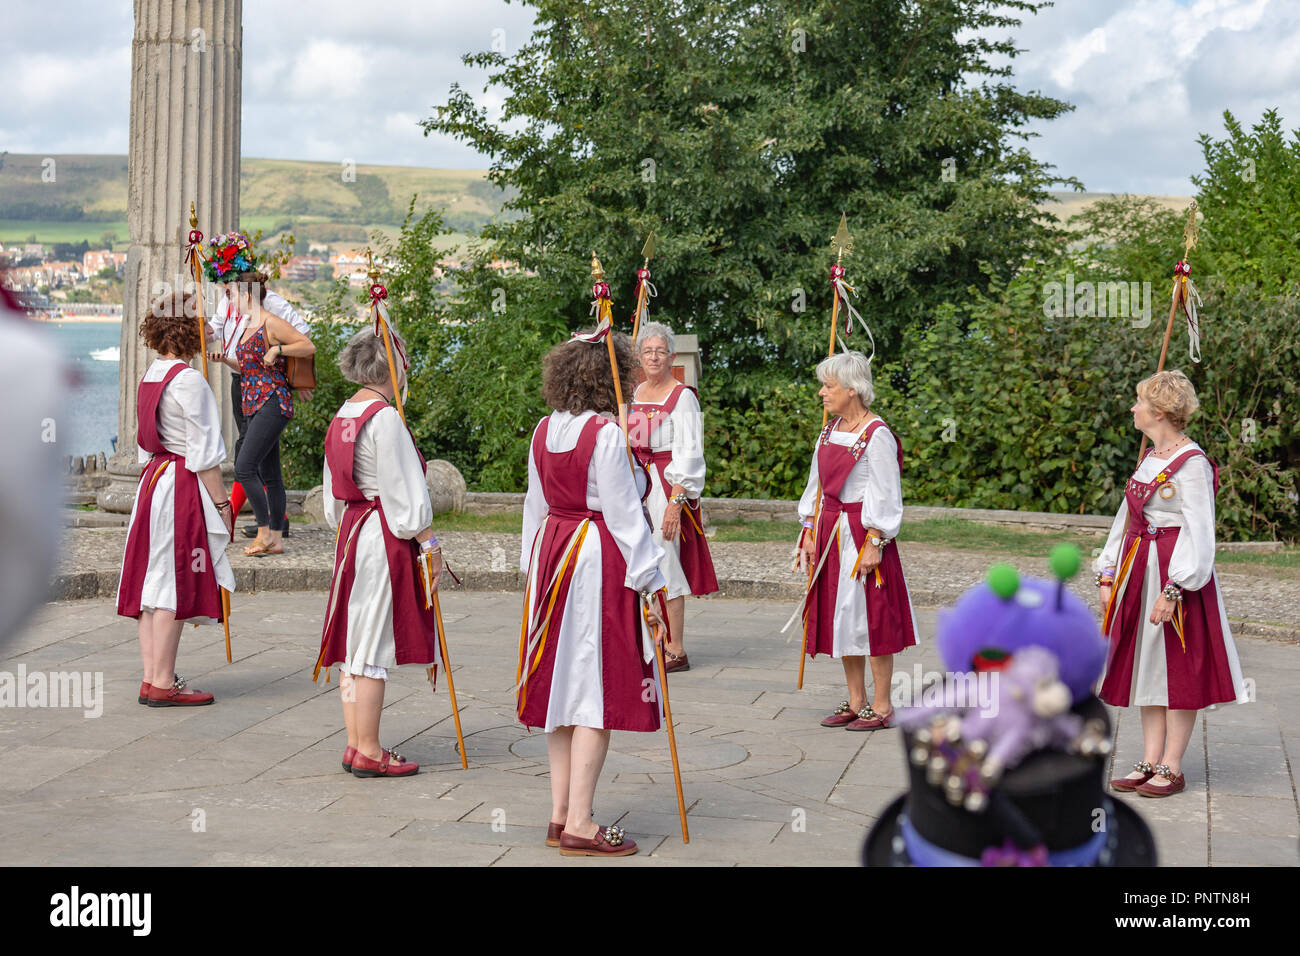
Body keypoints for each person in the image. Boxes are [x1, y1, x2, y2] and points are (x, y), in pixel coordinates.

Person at [519, 330, 668, 858]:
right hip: (595, 558)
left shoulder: (543, 429)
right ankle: (580, 821)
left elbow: (533, 510)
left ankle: (560, 814)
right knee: (595, 692)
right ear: (611, 378)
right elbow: (628, 519)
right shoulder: (606, 435)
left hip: (553, 553)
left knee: (561, 688)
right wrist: (652, 586)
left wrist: (531, 575)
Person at [1096, 370, 1249, 797]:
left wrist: (1174, 588)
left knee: (1177, 669)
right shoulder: (1149, 458)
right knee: (1147, 665)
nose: (1133, 408)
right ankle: (1148, 759)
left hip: (1173, 577)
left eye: (1139, 401)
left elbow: (1200, 532)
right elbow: (1127, 521)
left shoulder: (1193, 463)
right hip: (1138, 568)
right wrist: (1108, 570)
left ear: (1159, 412)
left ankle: (1172, 765)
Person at [315, 328, 443, 778]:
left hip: (353, 529)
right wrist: (428, 541)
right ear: (393, 368)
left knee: (357, 640)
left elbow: (334, 489)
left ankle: (355, 744)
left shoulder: (345, 413)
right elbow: (403, 488)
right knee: (369, 644)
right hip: (381, 532)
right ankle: (368, 747)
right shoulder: (385, 418)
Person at [116, 291, 234, 706]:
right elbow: (204, 454)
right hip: (180, 484)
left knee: (153, 581)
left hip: (153, 482)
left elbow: (145, 442)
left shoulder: (151, 374)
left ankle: (153, 676)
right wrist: (222, 505)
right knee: (172, 579)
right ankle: (163, 681)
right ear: (189, 331)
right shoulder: (189, 380)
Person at [796, 350, 918, 730]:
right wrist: (809, 528)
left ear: (852, 389)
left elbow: (887, 492)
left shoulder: (876, 434)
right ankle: (856, 700)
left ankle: (881, 706)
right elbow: (816, 487)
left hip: (863, 535)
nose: (822, 393)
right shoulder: (830, 429)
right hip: (831, 532)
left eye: (828, 386)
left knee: (874, 620)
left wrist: (876, 541)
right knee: (843, 619)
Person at [205, 240, 312, 539]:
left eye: (226, 279)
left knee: (246, 455)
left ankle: (237, 518)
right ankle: (279, 521)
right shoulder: (228, 301)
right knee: (262, 457)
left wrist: (292, 374)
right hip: (239, 379)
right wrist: (194, 325)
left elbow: (303, 336)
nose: (223, 286)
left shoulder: (272, 303)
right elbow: (214, 329)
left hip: (266, 385)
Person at [628, 321, 718, 673]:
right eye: (647, 351)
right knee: (637, 563)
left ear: (671, 356)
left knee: (666, 564)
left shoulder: (683, 397)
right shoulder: (633, 394)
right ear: (639, 356)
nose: (653, 357)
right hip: (635, 487)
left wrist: (676, 503)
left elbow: (690, 454)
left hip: (666, 489)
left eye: (660, 351)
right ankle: (648, 641)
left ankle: (675, 648)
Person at [225, 270, 314, 556]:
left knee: (244, 467)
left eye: (235, 294)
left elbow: (307, 345)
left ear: (247, 295)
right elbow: (249, 365)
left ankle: (263, 531)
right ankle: (276, 539)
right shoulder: (246, 324)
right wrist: (224, 360)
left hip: (273, 401)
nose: (232, 300)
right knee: (270, 473)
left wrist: (277, 349)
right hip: (253, 402)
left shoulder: (270, 322)